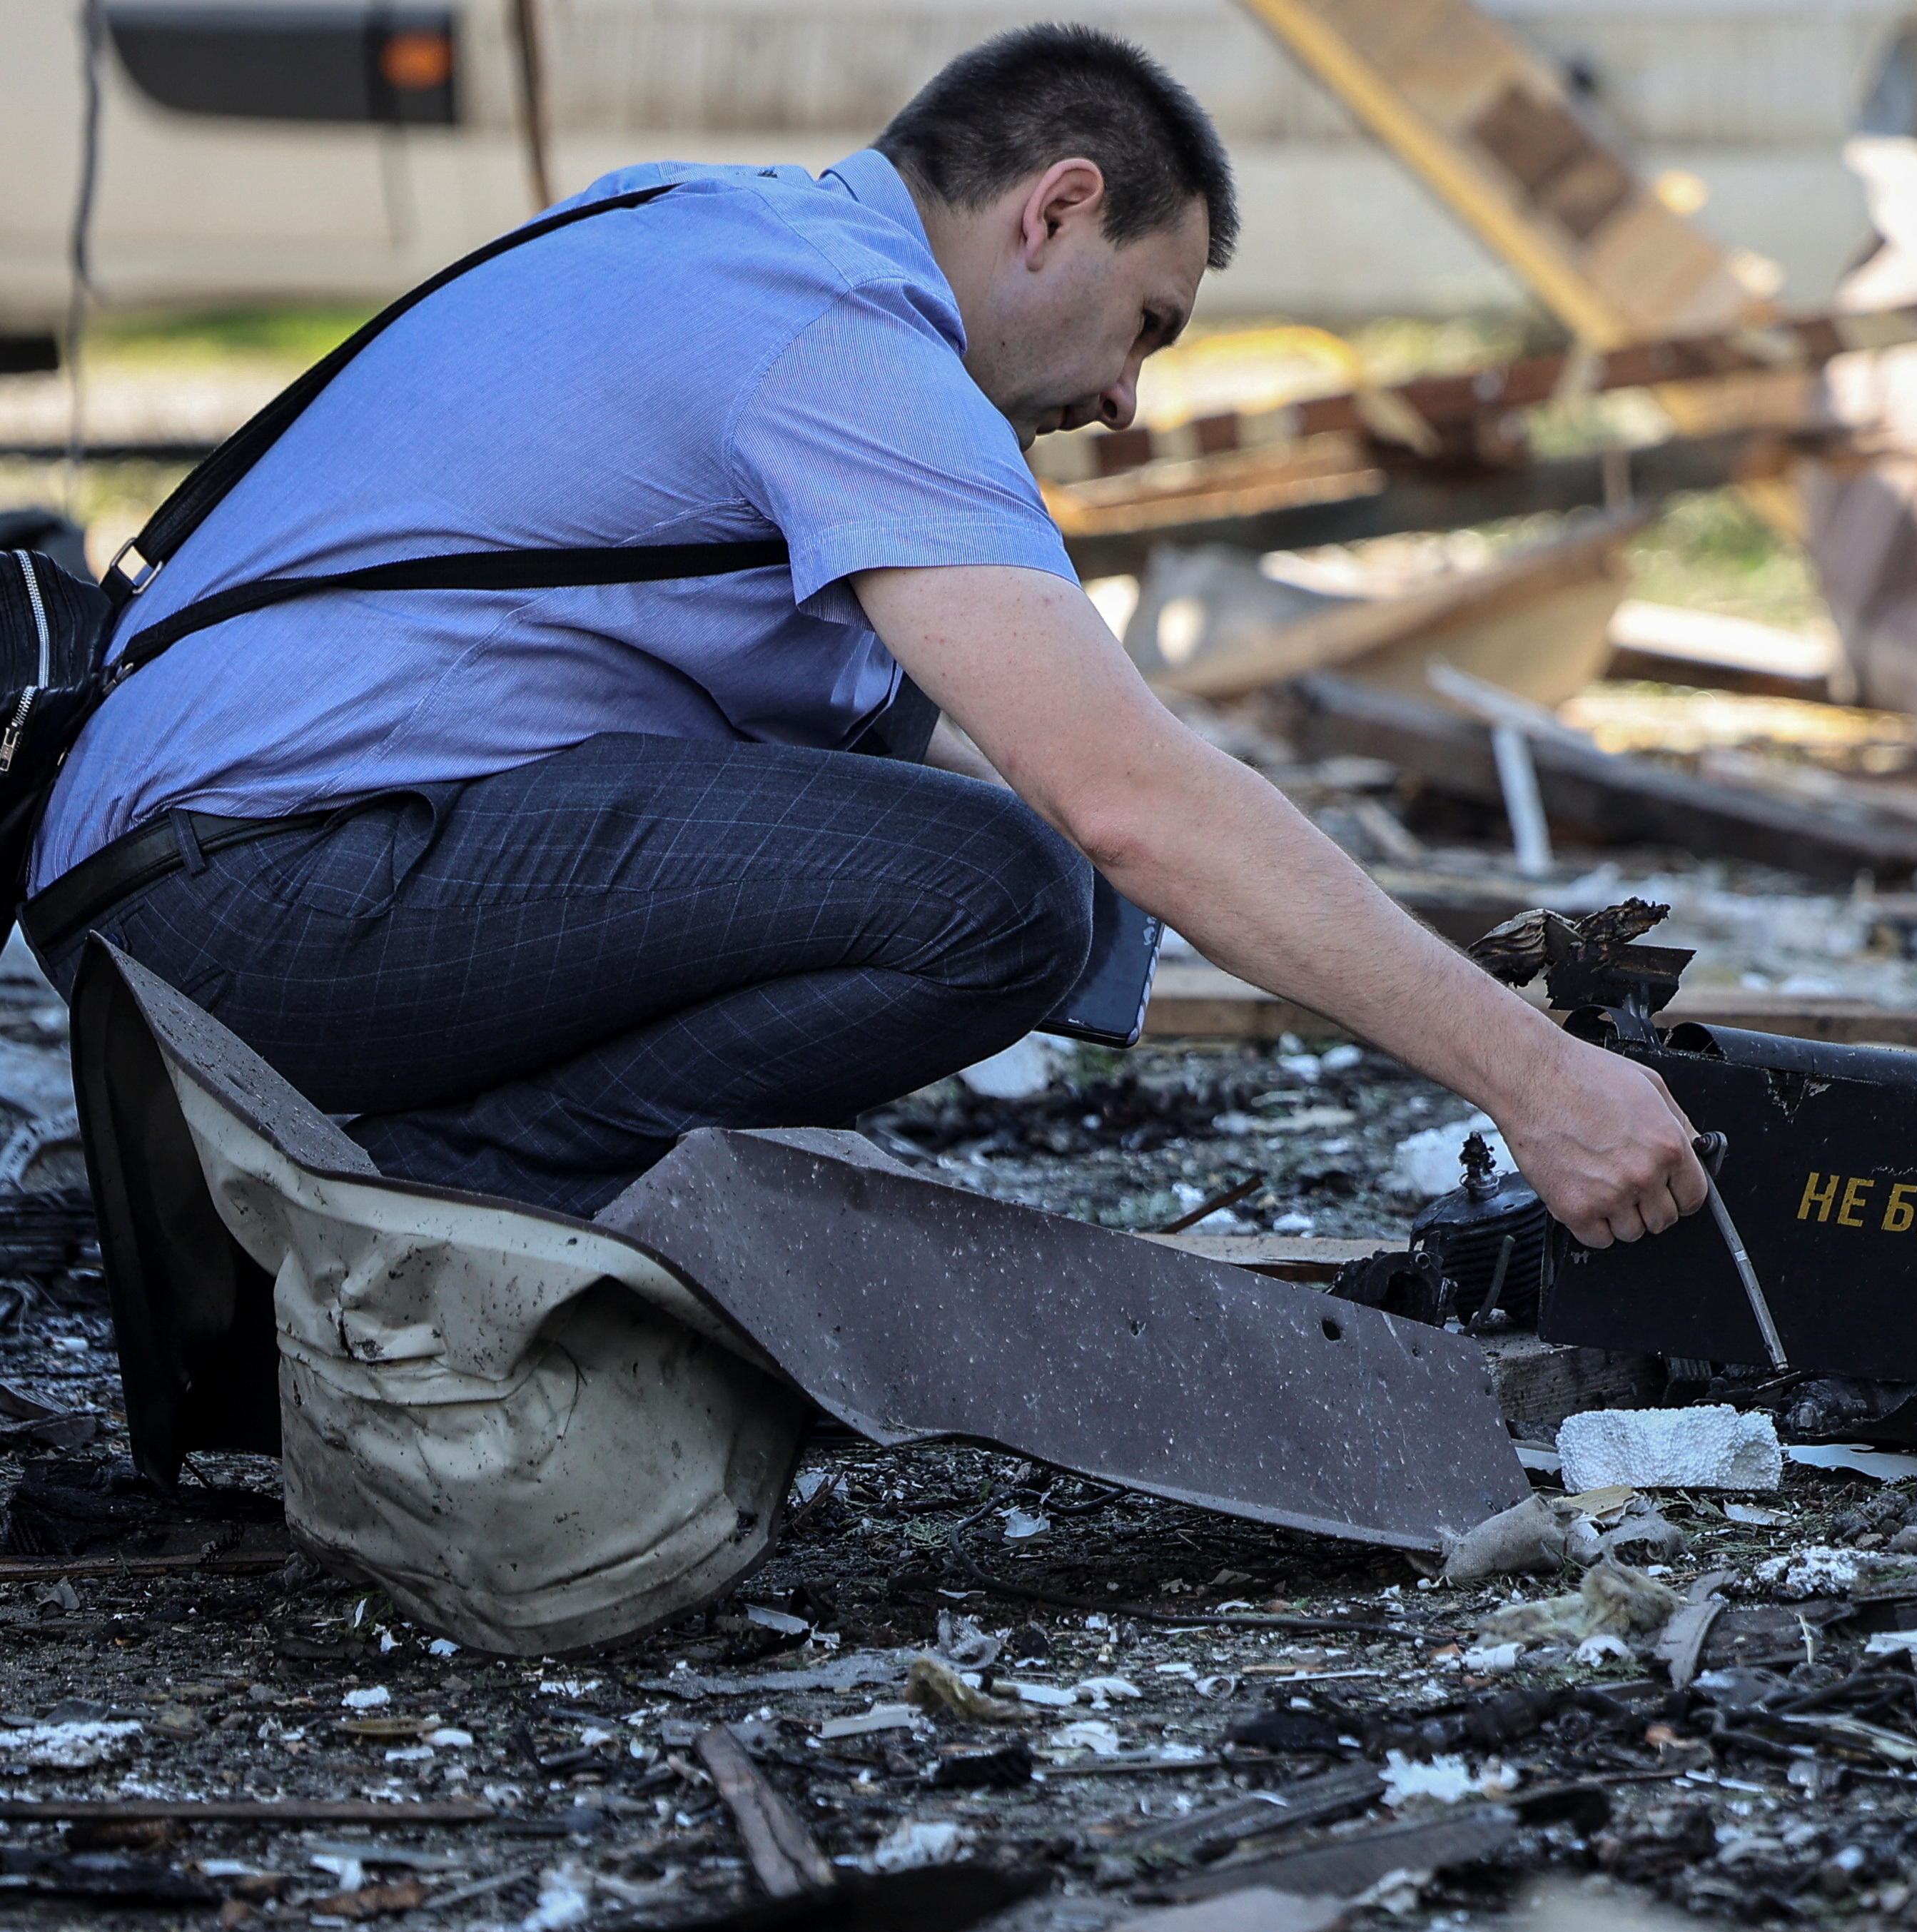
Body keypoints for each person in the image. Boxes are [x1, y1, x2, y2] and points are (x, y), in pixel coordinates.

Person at [27, 24, 1705, 1242]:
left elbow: (1018, 759)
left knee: (982, 831)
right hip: (250, 897)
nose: (1125, 400)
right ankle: (424, 1196)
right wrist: (1527, 1082)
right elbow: (1110, 795)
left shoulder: (711, 227)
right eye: (1146, 328)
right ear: (1053, 211)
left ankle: (419, 1177)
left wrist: (1365, 920)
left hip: (194, 881)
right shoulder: (844, 333)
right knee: (998, 893)